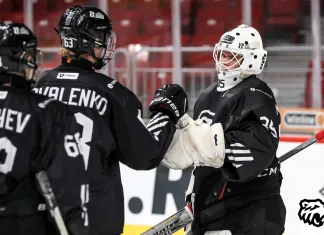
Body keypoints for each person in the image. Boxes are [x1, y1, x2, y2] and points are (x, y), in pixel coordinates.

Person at [32, 6, 188, 235]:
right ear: (87, 42)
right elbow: (145, 154)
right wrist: (166, 113)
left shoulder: (36, 87)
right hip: (94, 218)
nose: (105, 44)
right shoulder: (111, 94)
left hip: (41, 216)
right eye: (102, 38)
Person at [162, 24, 286, 235]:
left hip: (249, 211)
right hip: (215, 211)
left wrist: (197, 136)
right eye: (222, 54)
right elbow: (201, 157)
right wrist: (195, 193)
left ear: (252, 59)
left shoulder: (257, 95)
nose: (223, 61)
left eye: (231, 56)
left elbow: (251, 153)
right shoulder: (208, 95)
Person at [0, 23, 88, 235]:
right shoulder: (48, 110)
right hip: (24, 223)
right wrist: (76, 226)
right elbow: (69, 181)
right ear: (19, 59)